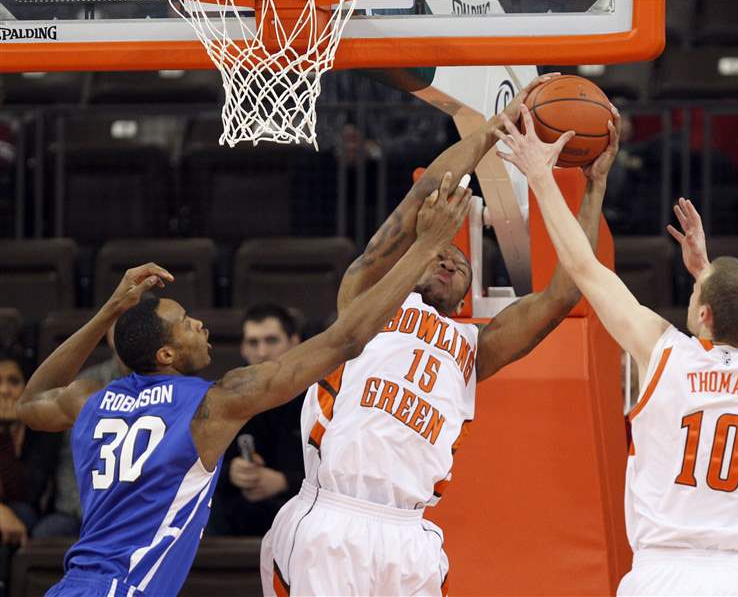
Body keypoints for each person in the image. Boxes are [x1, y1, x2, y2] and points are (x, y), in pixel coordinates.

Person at [18, 180, 471, 597]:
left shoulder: (90, 401)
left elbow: (30, 401)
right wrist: (426, 244)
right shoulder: (207, 405)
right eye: (185, 324)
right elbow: (346, 339)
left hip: (73, 584)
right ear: (166, 356)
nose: (199, 323)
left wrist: (107, 312)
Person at [260, 72, 609, 596]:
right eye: (440, 254)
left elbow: (563, 293)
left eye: (459, 265)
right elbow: (427, 192)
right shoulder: (368, 297)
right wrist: (494, 130)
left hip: (411, 535)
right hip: (333, 513)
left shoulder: (474, 348)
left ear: (467, 296)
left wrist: (595, 183)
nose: (449, 261)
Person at [496, 105, 738, 595]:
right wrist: (708, 274)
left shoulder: (663, 352)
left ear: (703, 315)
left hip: (663, 573)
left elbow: (583, 266)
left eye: (698, 293)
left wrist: (539, 176)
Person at [211, 304, 305, 536]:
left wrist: (285, 482)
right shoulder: (222, 397)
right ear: (243, 348)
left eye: (271, 340)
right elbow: (194, 467)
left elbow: (340, 471)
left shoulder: (319, 394)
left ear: (295, 342)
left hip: (302, 518)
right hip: (237, 521)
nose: (262, 352)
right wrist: (231, 472)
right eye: (253, 342)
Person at [32, 324, 128, 539]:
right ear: (109, 335)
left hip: (144, 511)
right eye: (123, 324)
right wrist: (89, 511)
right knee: (48, 532)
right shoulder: (83, 387)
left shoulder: (173, 387)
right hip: (81, 510)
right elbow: (70, 462)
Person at [0, 351, 60, 596]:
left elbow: (27, 491)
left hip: (27, 515)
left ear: (27, 387)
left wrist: (5, 433)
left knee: (22, 512)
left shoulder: (43, 429)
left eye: (13, 382)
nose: (4, 391)